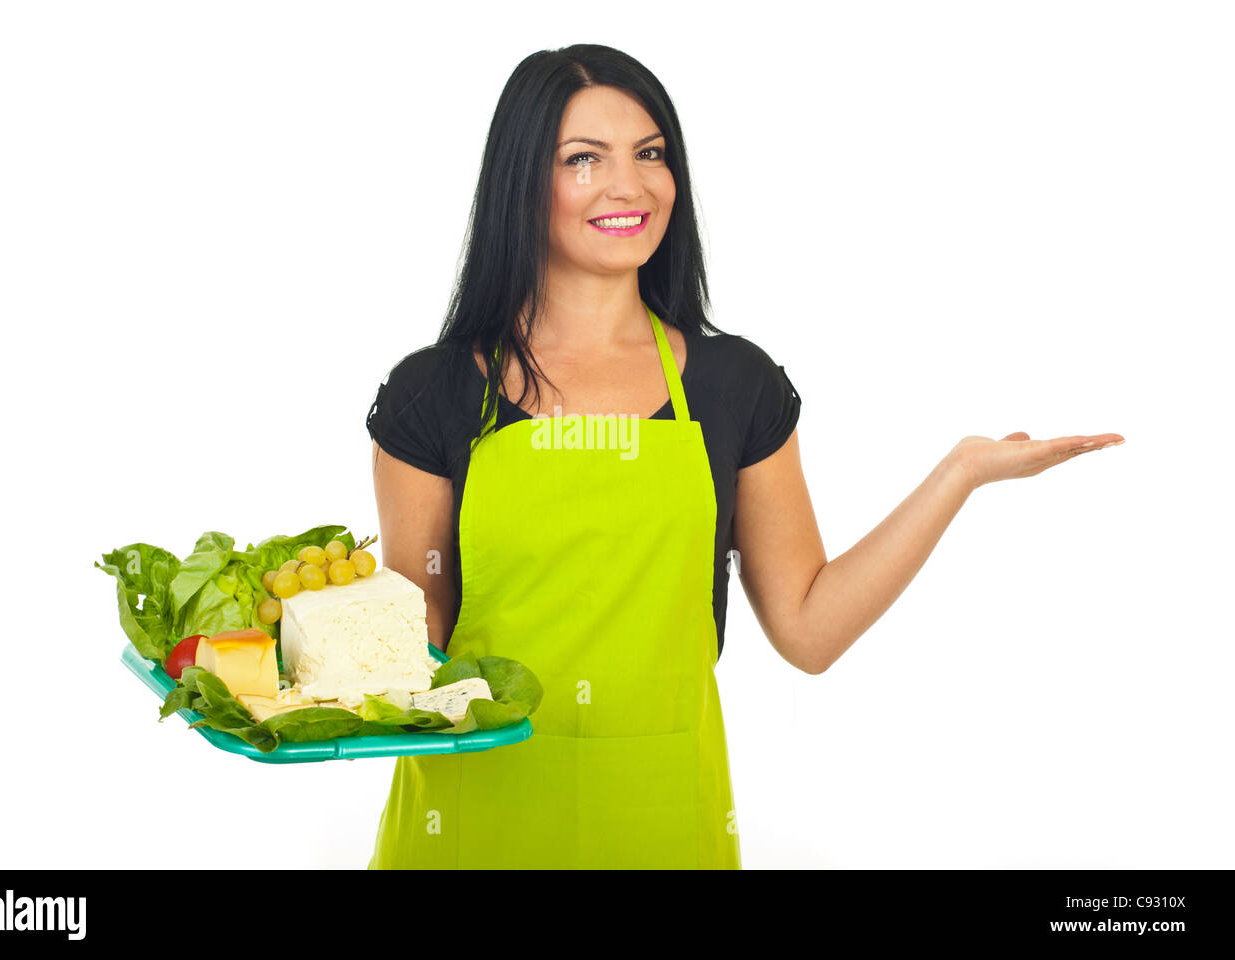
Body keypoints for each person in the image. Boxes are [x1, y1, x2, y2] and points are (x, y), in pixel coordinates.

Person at [363, 43, 1123, 870]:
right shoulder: (431, 393)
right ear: (520, 182)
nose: (630, 185)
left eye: (650, 154)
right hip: (472, 826)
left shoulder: (734, 386)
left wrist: (960, 474)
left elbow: (808, 629)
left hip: (663, 820)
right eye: (583, 159)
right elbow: (416, 647)